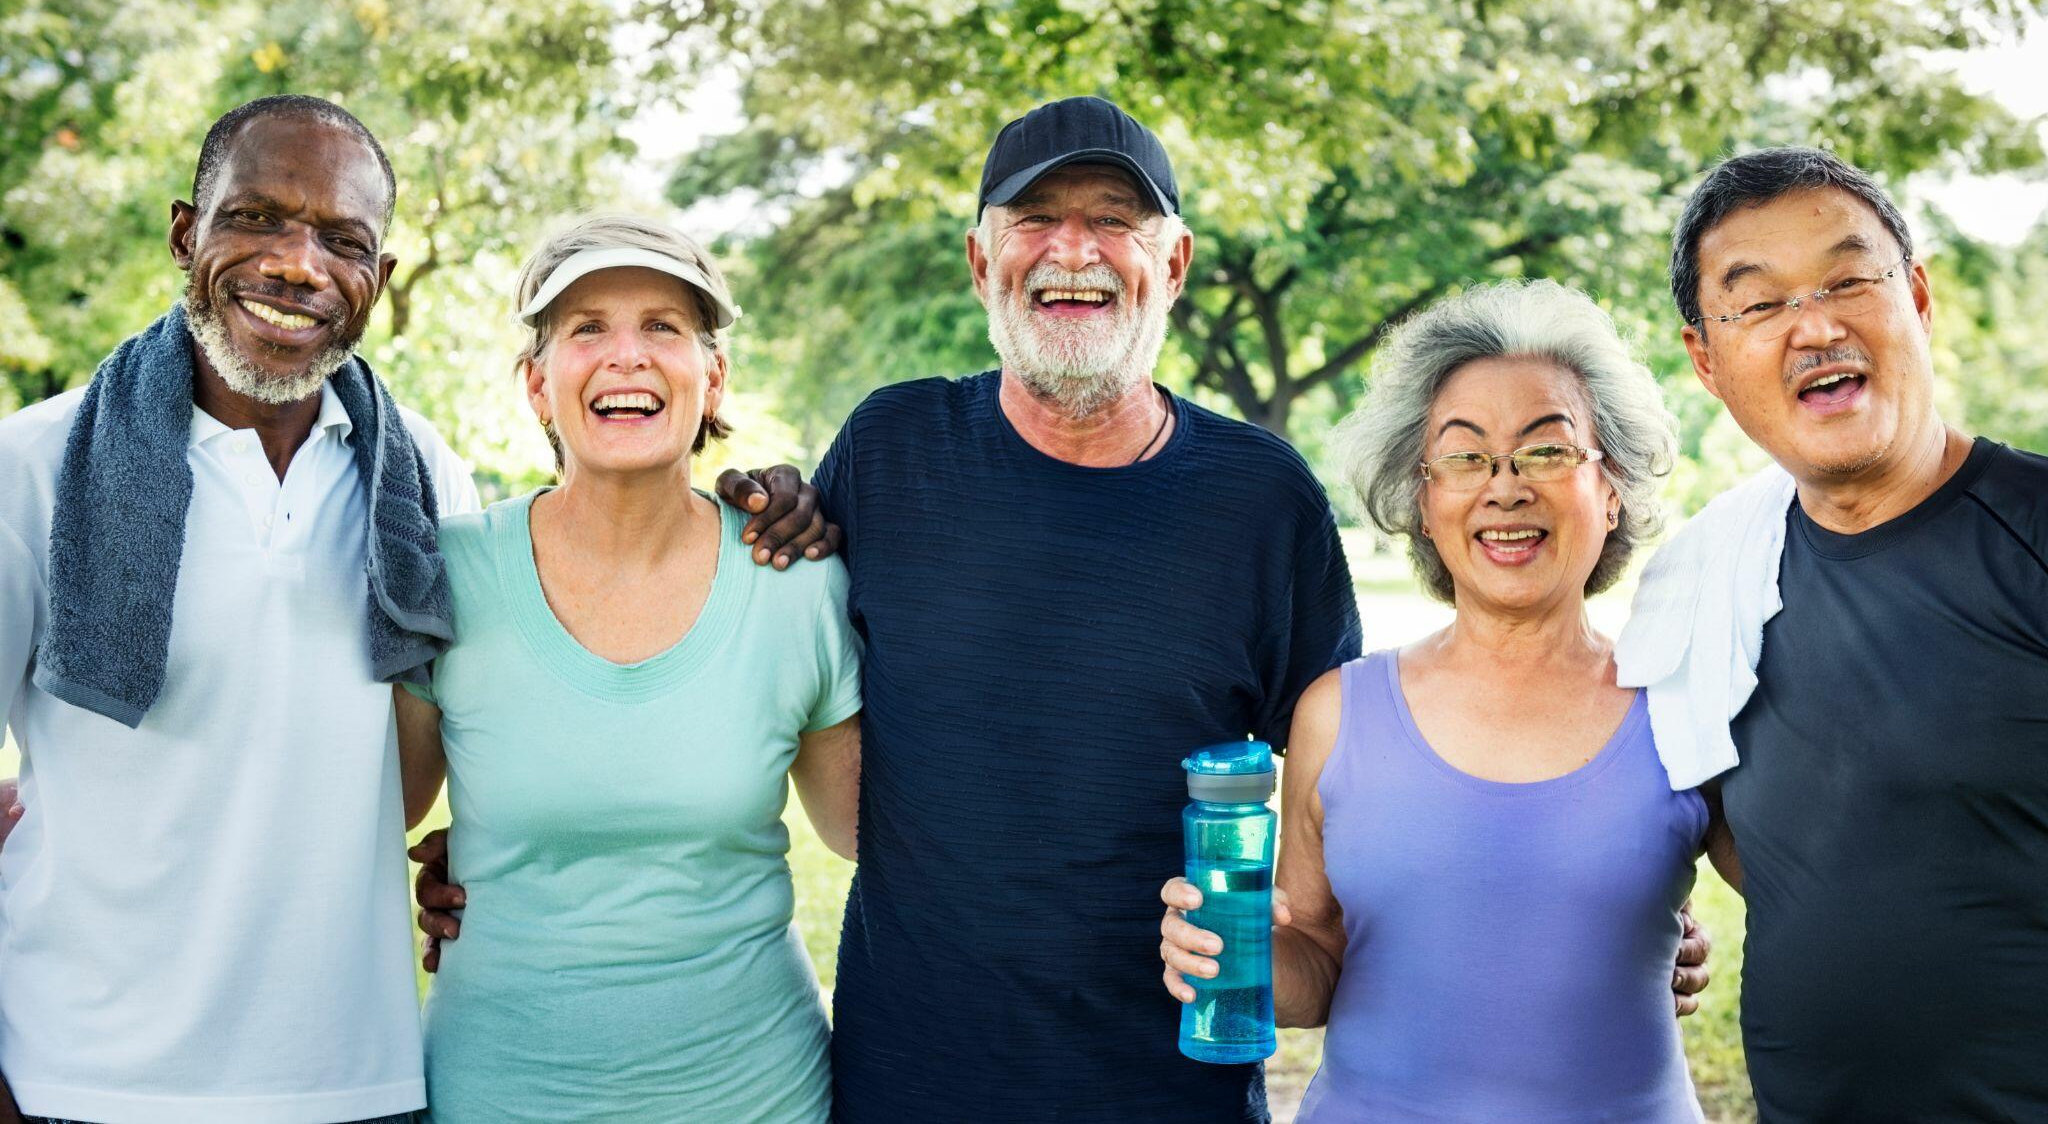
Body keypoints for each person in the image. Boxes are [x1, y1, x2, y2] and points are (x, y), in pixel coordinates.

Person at [416, 96, 1709, 1121]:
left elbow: (1365, 797)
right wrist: (524, 848)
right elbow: (720, 651)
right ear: (981, 258)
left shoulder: (1261, 500)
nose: (1073, 250)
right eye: (1035, 219)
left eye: (1113, 221)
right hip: (910, 1082)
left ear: (1172, 262)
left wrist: (1604, 902)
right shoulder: (890, 451)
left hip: (1172, 1089)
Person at [0, 96, 479, 1124]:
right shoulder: (32, 465)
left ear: (380, 275)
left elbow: (436, 764)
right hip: (77, 1079)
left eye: (343, 240)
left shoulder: (426, 478)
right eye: (256, 217)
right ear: (187, 233)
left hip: (357, 1080)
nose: (299, 265)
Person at [1159, 280, 1716, 1122]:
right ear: (1422, 501)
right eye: (1463, 456)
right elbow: (1316, 959)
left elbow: (1804, 908)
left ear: (1613, 488)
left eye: (1547, 450)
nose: (1505, 486)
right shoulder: (1335, 715)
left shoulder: (1685, 708)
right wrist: (1235, 953)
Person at [392, 215, 861, 1123]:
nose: (627, 354)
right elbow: (380, 811)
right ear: (537, 384)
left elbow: (868, 834)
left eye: (662, 326)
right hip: (498, 1095)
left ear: (712, 377)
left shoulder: (795, 583)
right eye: (587, 328)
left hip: (757, 1096)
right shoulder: (448, 576)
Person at [1648, 147, 2048, 1121]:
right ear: (1705, 359)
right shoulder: (1708, 579)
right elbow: (1737, 826)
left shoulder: (2029, 535)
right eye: (1759, 302)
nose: (1816, 326)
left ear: (1917, 297)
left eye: (1848, 281)